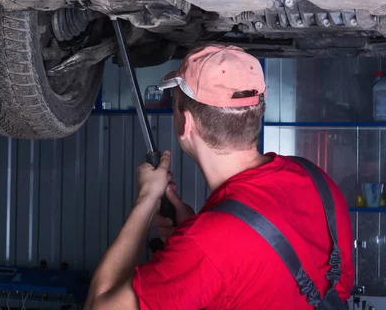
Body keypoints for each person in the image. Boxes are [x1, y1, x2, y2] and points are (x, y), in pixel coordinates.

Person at [85, 45, 353, 309]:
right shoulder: (313, 177)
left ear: (186, 123)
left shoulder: (206, 245)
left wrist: (146, 199)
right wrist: (196, 230)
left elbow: (99, 306)